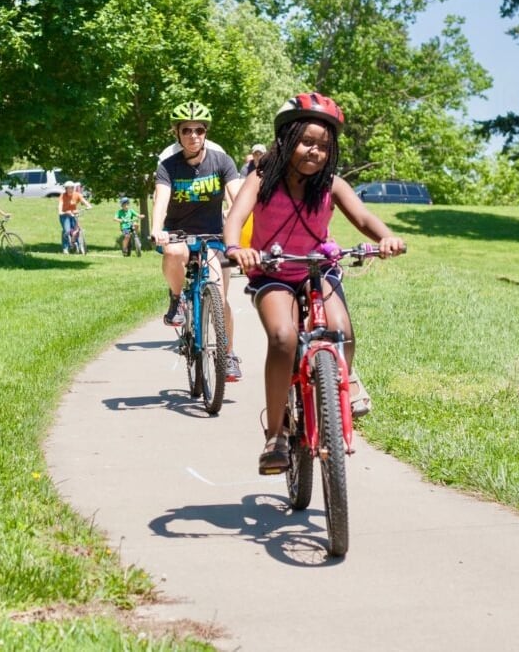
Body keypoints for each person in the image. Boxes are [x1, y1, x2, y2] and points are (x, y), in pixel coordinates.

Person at [222, 92, 406, 475]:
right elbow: (236, 217)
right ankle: (275, 435)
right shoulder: (261, 178)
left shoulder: (332, 184)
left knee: (341, 330)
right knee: (284, 339)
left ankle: (342, 383)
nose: (315, 152)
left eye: (324, 146)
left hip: (318, 269)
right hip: (273, 272)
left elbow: (364, 217)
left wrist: (385, 237)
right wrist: (236, 248)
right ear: (287, 140)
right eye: (307, 142)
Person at [151, 100, 244, 381]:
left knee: (219, 293)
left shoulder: (222, 161)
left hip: (213, 236)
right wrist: (157, 228)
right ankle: (178, 299)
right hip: (178, 234)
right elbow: (161, 199)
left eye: (199, 130)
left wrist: (241, 229)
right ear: (177, 134)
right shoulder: (168, 166)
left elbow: (237, 197)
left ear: (206, 132)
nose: (194, 135)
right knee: (175, 253)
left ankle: (227, 355)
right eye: (187, 130)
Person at [58, 180, 92, 253]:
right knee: (67, 231)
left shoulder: (77, 194)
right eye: (68, 188)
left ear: (73, 188)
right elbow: (60, 204)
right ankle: (65, 248)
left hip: (74, 214)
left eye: (71, 188)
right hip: (65, 215)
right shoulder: (63, 195)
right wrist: (61, 211)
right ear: (66, 189)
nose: (70, 189)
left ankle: (77, 245)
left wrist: (88, 206)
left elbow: (83, 200)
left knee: (76, 230)